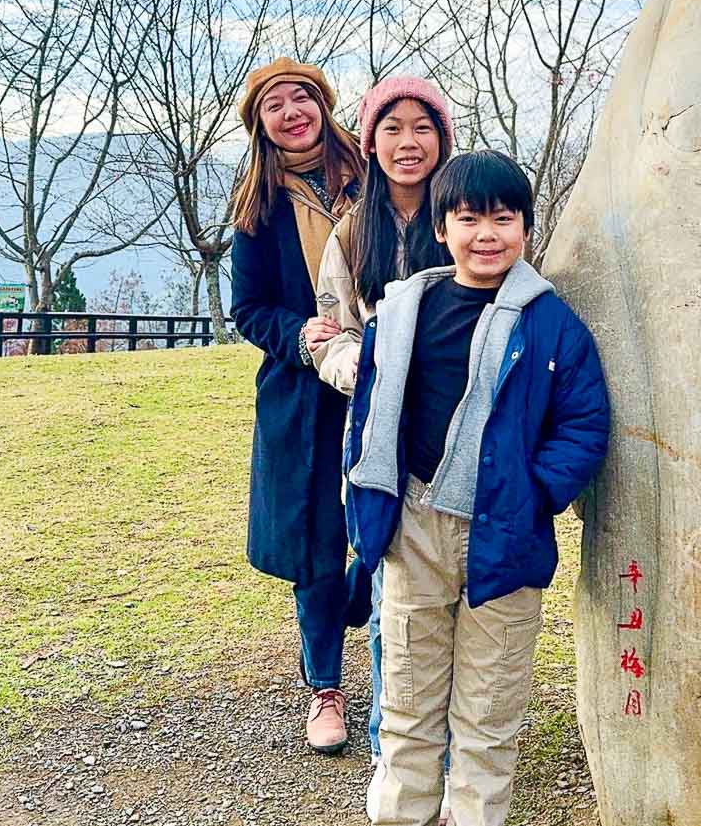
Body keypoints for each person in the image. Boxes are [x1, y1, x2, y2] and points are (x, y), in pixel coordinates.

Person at [344, 150, 611, 826]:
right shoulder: (404, 311)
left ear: (526, 227)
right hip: (414, 524)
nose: (486, 233)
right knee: (407, 702)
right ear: (441, 228)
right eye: (469, 217)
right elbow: (369, 412)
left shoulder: (551, 322)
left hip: (506, 538)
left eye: (503, 217)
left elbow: (584, 420)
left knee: (488, 713)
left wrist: (534, 493)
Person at [311, 77, 456, 772]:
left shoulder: (463, 216)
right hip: (375, 437)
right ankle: (392, 750)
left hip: (460, 433)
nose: (407, 142)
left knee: (452, 588)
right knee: (387, 584)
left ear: (442, 139)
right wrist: (368, 365)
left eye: (421, 127)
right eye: (392, 128)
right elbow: (326, 333)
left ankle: (453, 746)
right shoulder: (350, 232)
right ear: (370, 142)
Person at [228, 58, 366, 755]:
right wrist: (297, 332)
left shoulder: (371, 171)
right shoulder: (257, 203)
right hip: (304, 389)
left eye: (301, 97)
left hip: (386, 374)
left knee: (385, 523)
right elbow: (247, 308)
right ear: (262, 124)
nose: (291, 110)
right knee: (315, 539)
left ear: (322, 104)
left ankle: (369, 616)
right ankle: (326, 688)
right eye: (274, 105)